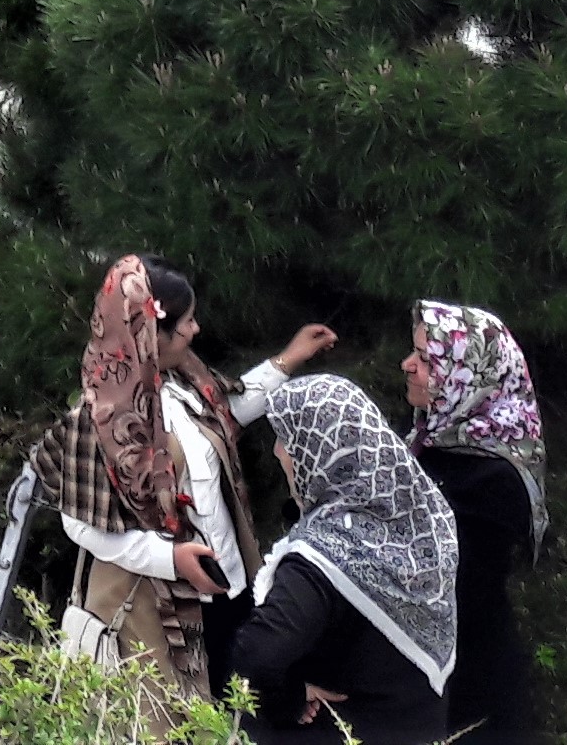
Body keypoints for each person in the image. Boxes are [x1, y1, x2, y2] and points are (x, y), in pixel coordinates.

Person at [39, 259, 327, 700]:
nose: (196, 329)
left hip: (227, 584)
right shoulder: (97, 418)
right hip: (155, 611)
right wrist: (170, 559)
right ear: (152, 332)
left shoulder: (183, 379)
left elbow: (224, 415)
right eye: (187, 321)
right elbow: (78, 525)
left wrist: (287, 361)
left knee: (236, 707)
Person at [234, 374, 462, 741]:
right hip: (418, 723)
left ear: (317, 450)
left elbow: (258, 654)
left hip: (348, 728)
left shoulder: (325, 555)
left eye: (286, 438)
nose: (278, 451)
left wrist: (287, 700)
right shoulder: (427, 516)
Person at [405, 300, 547, 743]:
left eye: (425, 360)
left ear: (470, 377)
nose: (407, 365)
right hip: (431, 672)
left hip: (468, 687)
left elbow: (455, 583)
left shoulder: (495, 476)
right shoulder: (433, 441)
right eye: (414, 353)